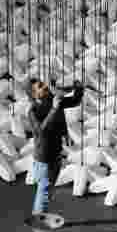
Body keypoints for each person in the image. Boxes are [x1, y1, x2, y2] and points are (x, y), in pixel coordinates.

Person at [28, 79, 84, 214]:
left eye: (44, 83)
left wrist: (78, 88)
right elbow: (41, 131)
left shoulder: (51, 99)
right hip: (44, 158)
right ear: (35, 94)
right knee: (44, 193)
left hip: (55, 154)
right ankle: (39, 221)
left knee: (47, 190)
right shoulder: (33, 111)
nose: (45, 86)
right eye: (41, 86)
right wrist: (54, 108)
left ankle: (41, 215)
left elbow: (74, 101)